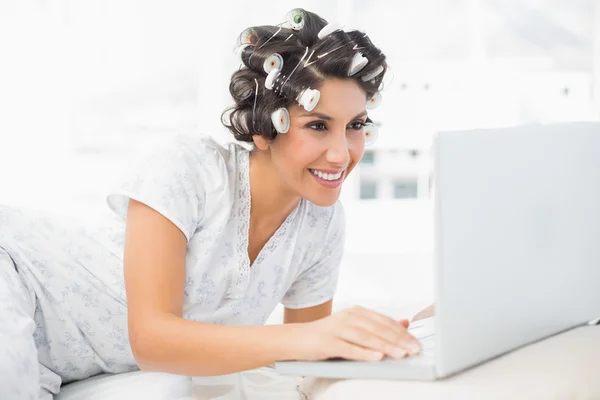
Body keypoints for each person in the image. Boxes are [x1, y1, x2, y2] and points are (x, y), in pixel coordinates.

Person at [0, 8, 430, 399]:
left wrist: (408, 334)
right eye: (318, 125)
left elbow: (306, 363)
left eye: (355, 125)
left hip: (62, 364)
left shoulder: (322, 222)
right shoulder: (189, 170)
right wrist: (317, 337)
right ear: (264, 129)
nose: (342, 154)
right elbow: (152, 339)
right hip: (15, 273)